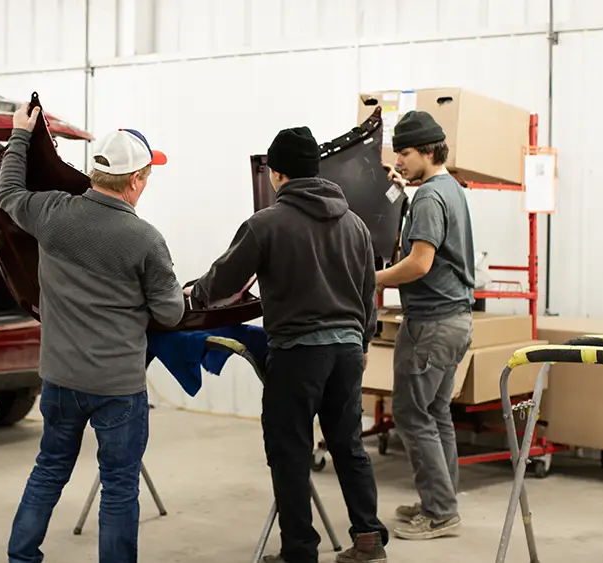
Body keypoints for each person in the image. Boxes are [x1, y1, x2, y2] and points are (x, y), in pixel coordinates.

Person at [187, 126, 389, 563]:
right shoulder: (355, 224)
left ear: (277, 175)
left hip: (299, 354)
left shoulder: (266, 224)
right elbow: (367, 288)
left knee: (290, 451)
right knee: (348, 445)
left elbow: (223, 281)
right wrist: (365, 339)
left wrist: (192, 296)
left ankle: (300, 551)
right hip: (348, 352)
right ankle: (369, 538)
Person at [0, 103, 185, 563]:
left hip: (60, 380)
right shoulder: (145, 239)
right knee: (120, 486)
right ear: (136, 181)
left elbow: (6, 193)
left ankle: (21, 558)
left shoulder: (50, 212)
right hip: (117, 387)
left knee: (49, 469)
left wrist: (20, 135)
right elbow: (172, 312)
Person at [374, 110, 476, 541]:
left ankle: (440, 512)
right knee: (436, 414)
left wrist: (369, 278)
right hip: (456, 319)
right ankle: (441, 500)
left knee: (412, 414)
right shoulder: (450, 188)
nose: (400, 160)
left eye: (407, 152)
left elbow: (419, 263)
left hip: (432, 323)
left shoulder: (432, 196)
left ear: (431, 151)